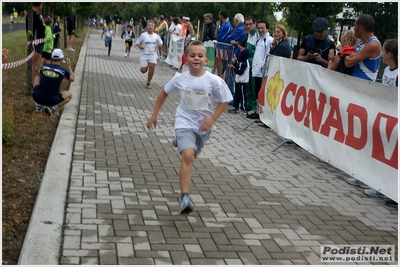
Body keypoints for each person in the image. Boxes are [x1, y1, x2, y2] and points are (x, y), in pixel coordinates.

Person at [146, 41, 233, 214]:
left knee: (191, 154)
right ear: (186, 59)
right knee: (187, 157)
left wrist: (212, 119)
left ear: (206, 60)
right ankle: (185, 197)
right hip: (184, 122)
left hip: (203, 127)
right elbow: (164, 93)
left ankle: (183, 142)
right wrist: (154, 114)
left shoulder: (214, 80)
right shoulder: (180, 78)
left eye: (200, 56)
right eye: (192, 55)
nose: (196, 59)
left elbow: (225, 100)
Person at [32, 49, 74, 116]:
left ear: (52, 57)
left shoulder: (44, 67)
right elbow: (72, 79)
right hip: (51, 100)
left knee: (38, 76)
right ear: (61, 58)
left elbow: (39, 74)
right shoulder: (63, 70)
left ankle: (38, 105)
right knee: (69, 95)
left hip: (36, 97)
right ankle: (52, 107)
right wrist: (69, 67)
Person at [345, 14, 382, 82]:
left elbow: (348, 63)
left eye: (354, 25)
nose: (353, 28)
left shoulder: (373, 44)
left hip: (365, 85)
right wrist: (353, 55)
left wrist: (348, 56)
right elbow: (350, 54)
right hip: (355, 82)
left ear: (360, 28)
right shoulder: (360, 41)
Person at [252, 20, 273, 119]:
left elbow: (267, 56)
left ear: (267, 29)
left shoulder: (268, 40)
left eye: (262, 28)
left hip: (263, 71)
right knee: (257, 91)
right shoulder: (258, 39)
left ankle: (261, 112)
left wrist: (262, 67)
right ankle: (258, 110)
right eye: (259, 28)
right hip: (256, 71)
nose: (260, 30)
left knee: (261, 92)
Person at [136, 20, 163, 89]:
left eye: (152, 25)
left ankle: (148, 82)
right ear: (146, 27)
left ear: (154, 27)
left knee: (152, 68)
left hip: (153, 55)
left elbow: (160, 43)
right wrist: (140, 46)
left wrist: (160, 45)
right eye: (149, 25)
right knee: (143, 71)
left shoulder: (156, 36)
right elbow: (138, 43)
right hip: (144, 55)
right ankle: (147, 65)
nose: (150, 26)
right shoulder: (143, 35)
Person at [26, 2, 45, 89]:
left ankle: (32, 81)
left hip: (37, 42)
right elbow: (40, 28)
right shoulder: (34, 15)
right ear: (40, 4)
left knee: (34, 63)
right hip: (36, 43)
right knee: (33, 63)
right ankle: (31, 83)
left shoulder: (35, 14)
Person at [242, 16, 259, 118]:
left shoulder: (257, 35)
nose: (248, 26)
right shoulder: (248, 35)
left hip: (255, 65)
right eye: (247, 24)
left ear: (254, 24)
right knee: (248, 86)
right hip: (248, 64)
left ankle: (253, 107)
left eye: (250, 24)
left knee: (253, 87)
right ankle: (248, 106)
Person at [228, 47, 250, 115]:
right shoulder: (241, 62)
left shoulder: (245, 63)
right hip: (238, 81)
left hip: (243, 82)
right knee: (237, 95)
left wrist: (234, 68)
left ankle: (243, 109)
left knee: (242, 96)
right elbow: (238, 66)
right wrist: (234, 63)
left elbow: (240, 72)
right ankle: (236, 106)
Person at [214, 10, 232, 78]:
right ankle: (219, 76)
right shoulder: (222, 25)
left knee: (221, 66)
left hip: (224, 48)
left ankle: (221, 78)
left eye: (219, 15)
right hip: (220, 47)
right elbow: (215, 36)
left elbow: (218, 38)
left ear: (221, 16)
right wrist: (217, 26)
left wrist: (217, 38)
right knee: (218, 64)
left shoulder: (227, 26)